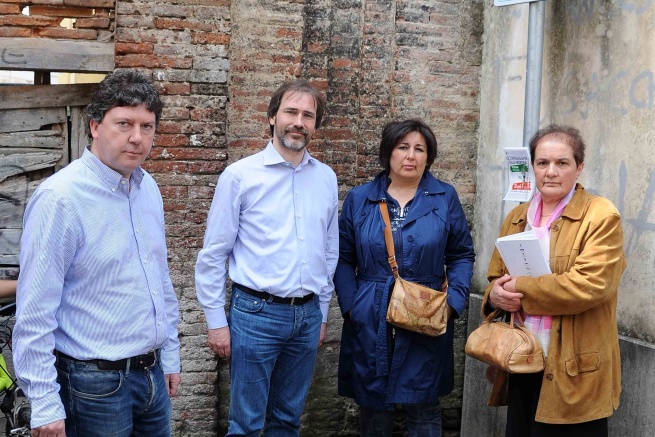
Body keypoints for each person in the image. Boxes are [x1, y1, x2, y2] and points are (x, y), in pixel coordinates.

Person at [13, 69, 181, 437]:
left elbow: (159, 281)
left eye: (147, 127)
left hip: (151, 377)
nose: (137, 137)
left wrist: (169, 355)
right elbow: (35, 311)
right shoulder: (60, 199)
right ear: (94, 126)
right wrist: (44, 402)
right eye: (124, 124)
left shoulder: (147, 188)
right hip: (93, 386)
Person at [195, 79, 338, 437]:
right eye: (291, 112)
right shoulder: (240, 176)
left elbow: (328, 250)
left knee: (287, 421)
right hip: (255, 315)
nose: (299, 122)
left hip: (307, 316)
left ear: (316, 125)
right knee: (246, 424)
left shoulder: (326, 178)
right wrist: (216, 321)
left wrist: (321, 312)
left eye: (308, 115)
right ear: (273, 117)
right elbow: (214, 254)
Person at [334, 119, 475, 437]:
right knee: (374, 408)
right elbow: (343, 258)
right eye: (403, 147)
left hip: (426, 312)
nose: (411, 156)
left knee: (424, 407)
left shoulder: (444, 197)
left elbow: (461, 255)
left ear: (428, 157)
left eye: (419, 149)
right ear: (388, 153)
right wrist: (353, 306)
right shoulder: (360, 199)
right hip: (370, 314)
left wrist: (452, 303)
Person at [483, 124, 626, 437]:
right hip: (522, 356)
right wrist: (495, 294)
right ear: (533, 166)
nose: (551, 172)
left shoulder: (600, 216)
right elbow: (495, 276)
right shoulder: (517, 216)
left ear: (579, 167)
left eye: (562, 163)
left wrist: (520, 287)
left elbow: (589, 286)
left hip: (574, 366)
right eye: (542, 162)